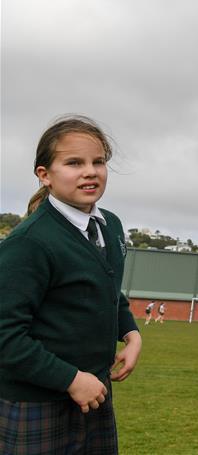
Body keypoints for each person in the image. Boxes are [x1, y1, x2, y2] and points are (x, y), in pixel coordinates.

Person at [0, 115, 142, 454]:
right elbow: (5, 336)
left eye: (98, 161)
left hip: (93, 395)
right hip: (38, 403)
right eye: (73, 162)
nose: (90, 171)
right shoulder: (30, 242)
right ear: (44, 175)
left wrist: (131, 332)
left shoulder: (110, 225)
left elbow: (107, 290)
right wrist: (70, 379)